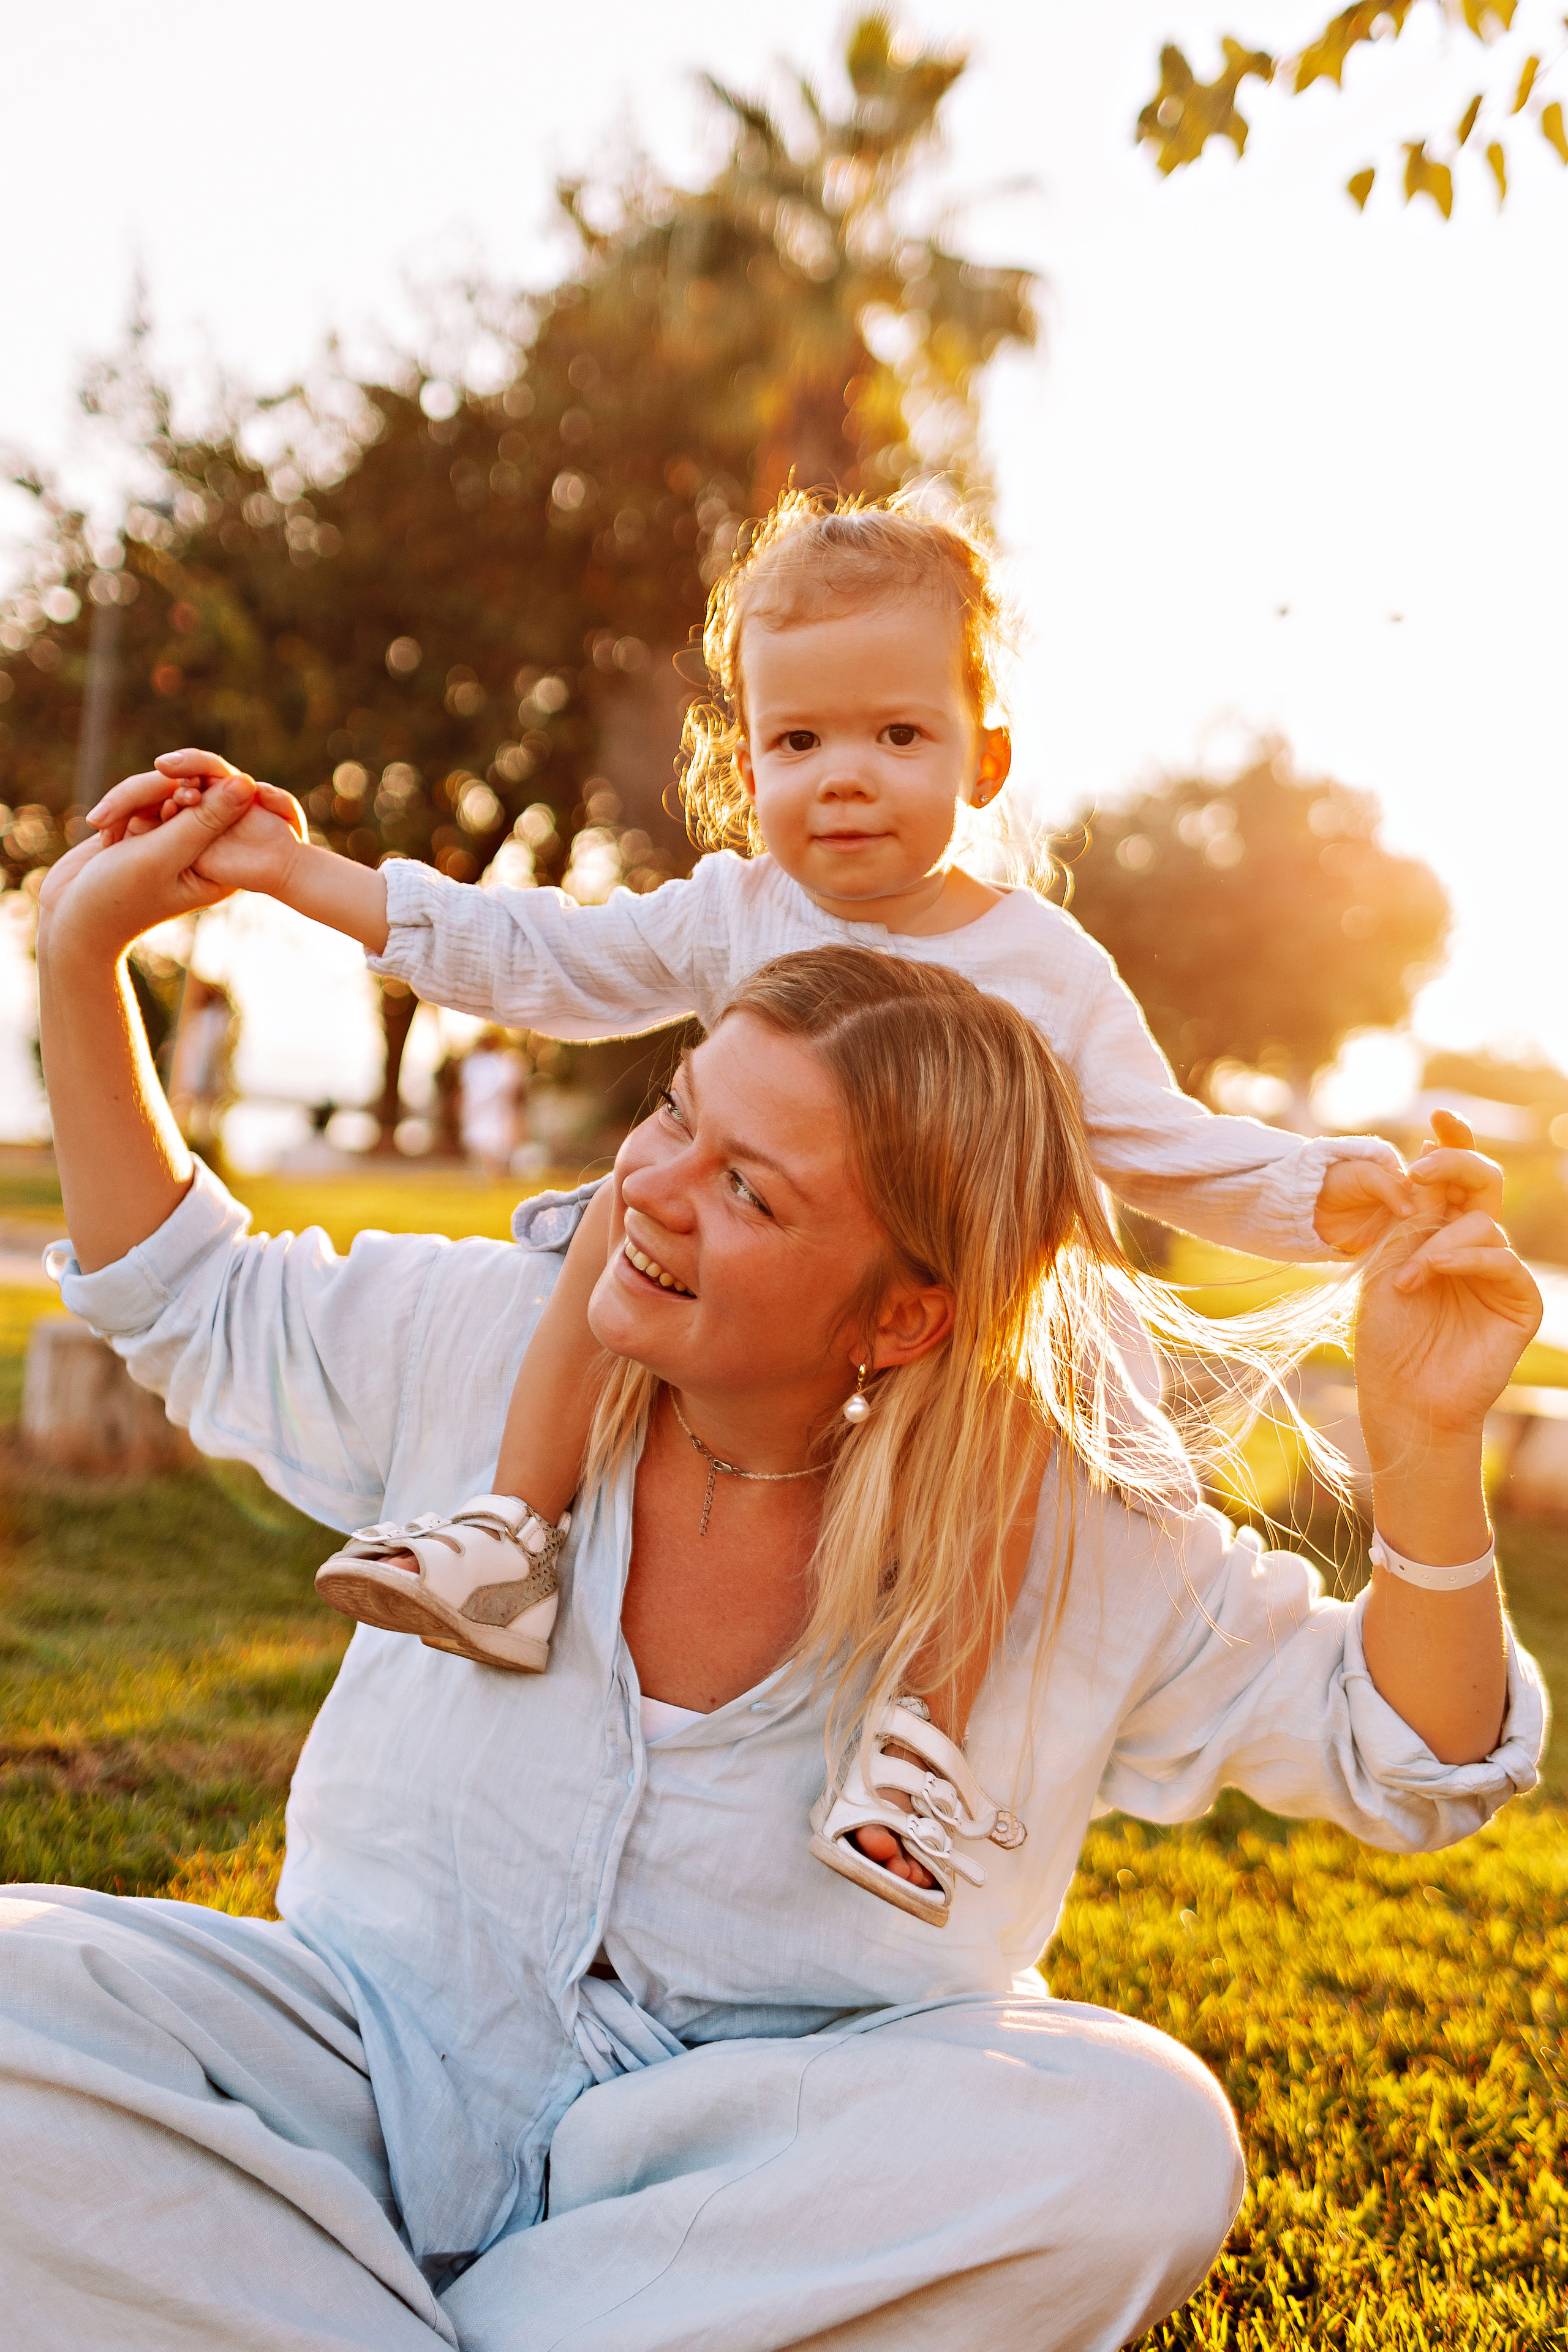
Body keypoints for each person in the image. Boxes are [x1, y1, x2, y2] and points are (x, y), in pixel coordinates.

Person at [7, 782, 1545, 2350]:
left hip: (732, 2191)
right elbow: (188, 1297)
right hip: (356, 2064)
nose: (651, 1192)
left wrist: (1425, 1451)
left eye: (749, 1187)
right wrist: (77, 958)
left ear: (902, 1315)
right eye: (678, 1111)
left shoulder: (1079, 1532)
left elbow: (1407, 1757)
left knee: (1134, 2137)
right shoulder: (484, 1340)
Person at [88, 490, 1499, 1907]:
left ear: (984, 756)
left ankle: (921, 1746)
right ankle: (511, 1532)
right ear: (743, 759)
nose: (842, 778)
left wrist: (1338, 1198)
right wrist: (298, 872)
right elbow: (539, 957)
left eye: (898, 736)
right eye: (797, 741)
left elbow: (1157, 1142)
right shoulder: (738, 912)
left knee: (1006, 1422)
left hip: (965, 1328)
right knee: (603, 1227)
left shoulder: (1041, 966)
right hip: (767, 1317)